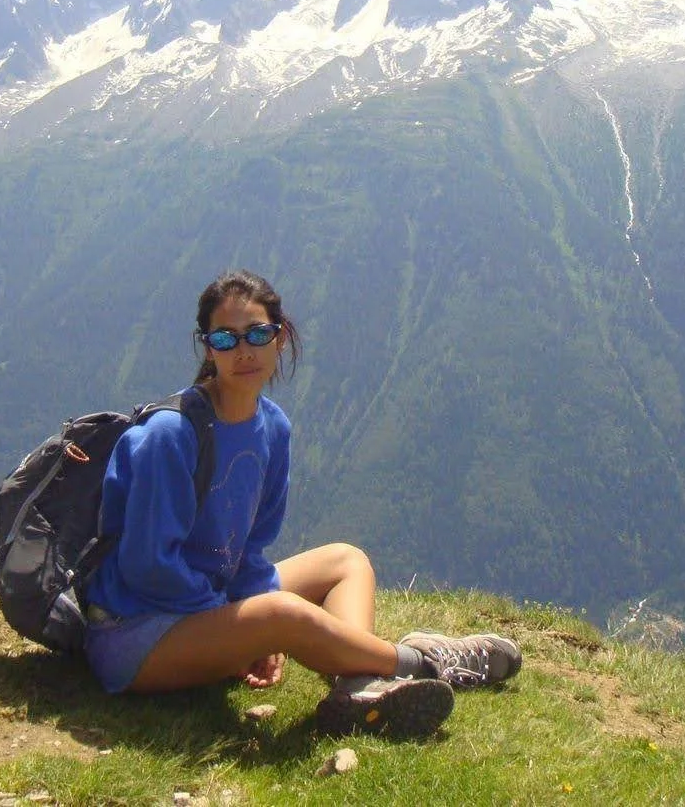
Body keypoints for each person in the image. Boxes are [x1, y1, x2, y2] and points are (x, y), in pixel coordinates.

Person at [82, 269, 522, 737]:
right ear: (208, 348)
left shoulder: (272, 428)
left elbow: (249, 552)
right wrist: (245, 626)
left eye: (257, 333)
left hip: (209, 603)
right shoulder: (170, 435)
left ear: (280, 337)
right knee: (282, 614)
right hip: (137, 633)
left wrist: (244, 622)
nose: (244, 350)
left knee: (346, 560)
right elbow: (148, 566)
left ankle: (358, 686)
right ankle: (423, 662)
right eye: (225, 339)